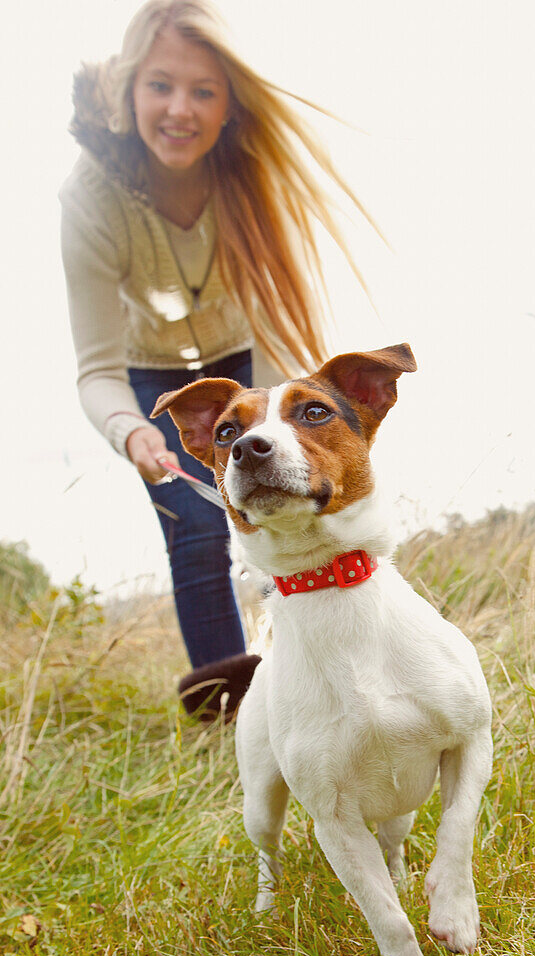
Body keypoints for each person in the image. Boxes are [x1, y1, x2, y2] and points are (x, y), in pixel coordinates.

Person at [60, 0, 369, 720]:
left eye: (203, 91)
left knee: (282, 499)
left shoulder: (254, 179)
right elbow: (96, 368)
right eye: (160, 85)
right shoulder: (89, 198)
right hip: (151, 370)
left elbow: (278, 329)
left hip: (248, 350)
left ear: (229, 105)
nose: (180, 109)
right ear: (130, 88)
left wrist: (276, 432)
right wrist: (131, 431)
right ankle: (228, 715)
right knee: (195, 529)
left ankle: (312, 680)